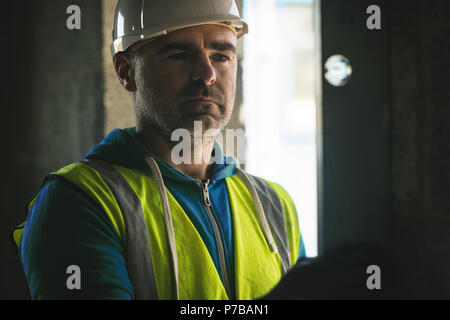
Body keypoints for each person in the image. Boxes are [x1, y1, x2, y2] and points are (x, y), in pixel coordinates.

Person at [13, 0, 306, 300]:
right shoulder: (79, 201)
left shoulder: (276, 207)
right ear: (126, 72)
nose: (206, 74)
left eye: (220, 56)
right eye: (180, 55)